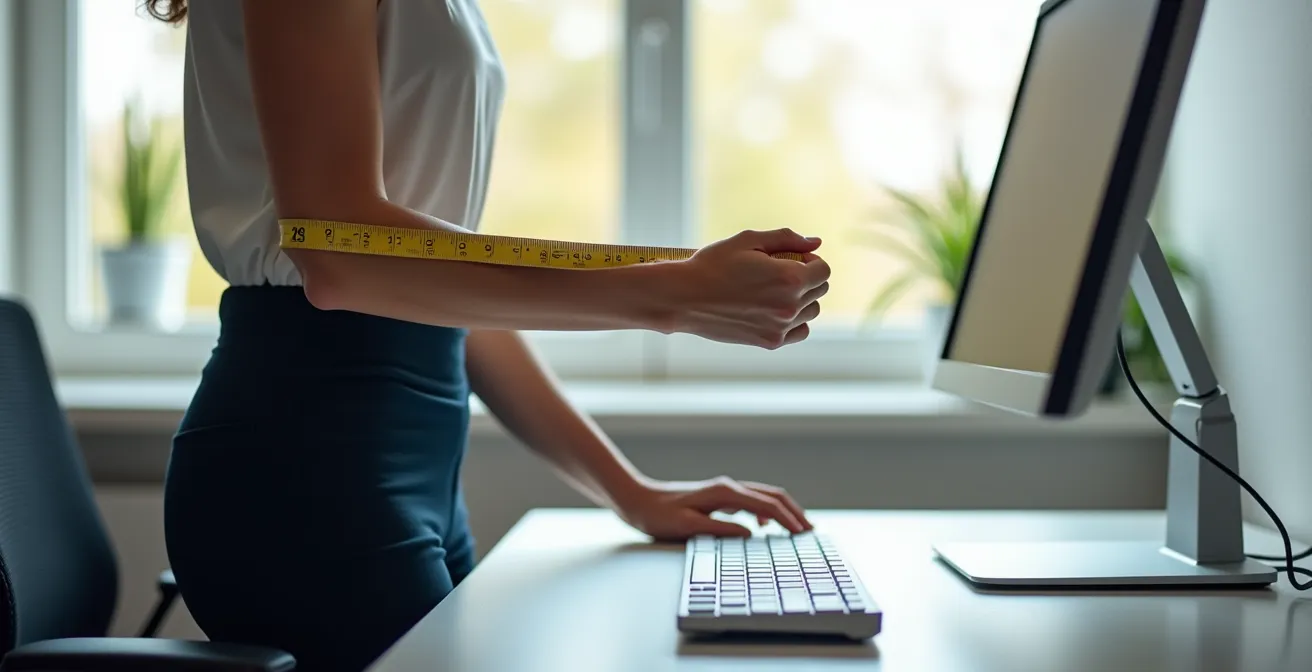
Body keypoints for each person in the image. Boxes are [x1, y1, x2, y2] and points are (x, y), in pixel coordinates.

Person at [148, 0, 830, 669]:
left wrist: (632, 492)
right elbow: (341, 262)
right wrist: (670, 297)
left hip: (414, 478)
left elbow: (443, 304)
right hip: (302, 472)